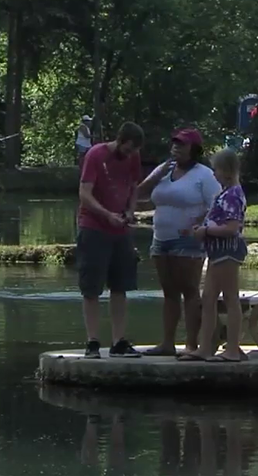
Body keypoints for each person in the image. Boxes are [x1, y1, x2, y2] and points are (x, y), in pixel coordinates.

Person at [137, 128, 221, 357]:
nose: (176, 147)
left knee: (190, 290)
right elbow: (138, 195)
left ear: (194, 149)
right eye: (174, 143)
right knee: (169, 292)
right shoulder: (164, 170)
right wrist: (156, 175)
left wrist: (198, 224)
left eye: (182, 144)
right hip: (160, 239)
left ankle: (191, 345)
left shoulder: (204, 175)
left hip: (188, 240)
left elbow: (216, 205)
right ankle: (167, 343)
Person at [77, 121, 145, 359]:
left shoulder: (133, 157)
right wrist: (107, 215)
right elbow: (84, 194)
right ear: (120, 140)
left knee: (120, 286)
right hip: (94, 227)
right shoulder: (96, 155)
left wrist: (130, 211)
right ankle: (93, 342)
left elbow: (134, 186)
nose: (130, 154)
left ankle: (118, 342)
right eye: (127, 149)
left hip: (121, 230)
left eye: (134, 151)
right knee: (91, 288)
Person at [180, 148, 247, 363]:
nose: (214, 174)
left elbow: (232, 228)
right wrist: (200, 228)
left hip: (227, 252)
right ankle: (205, 348)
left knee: (230, 298)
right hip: (216, 253)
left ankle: (232, 350)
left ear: (226, 170)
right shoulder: (225, 193)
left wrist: (206, 231)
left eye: (216, 169)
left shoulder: (233, 195)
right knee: (208, 299)